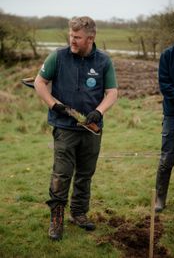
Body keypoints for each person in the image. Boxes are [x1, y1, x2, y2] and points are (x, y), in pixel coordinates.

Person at [34, 16, 118, 240]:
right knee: (61, 174)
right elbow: (39, 83)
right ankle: (57, 219)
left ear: (90, 38)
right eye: (71, 35)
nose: (72, 40)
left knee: (85, 174)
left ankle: (79, 213)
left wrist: (99, 111)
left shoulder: (103, 61)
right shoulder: (58, 57)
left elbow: (112, 92)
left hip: (91, 129)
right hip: (64, 128)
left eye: (77, 37)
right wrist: (54, 104)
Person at [155, 18, 174, 213]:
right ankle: (160, 199)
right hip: (173, 116)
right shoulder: (167, 56)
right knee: (166, 160)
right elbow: (165, 84)